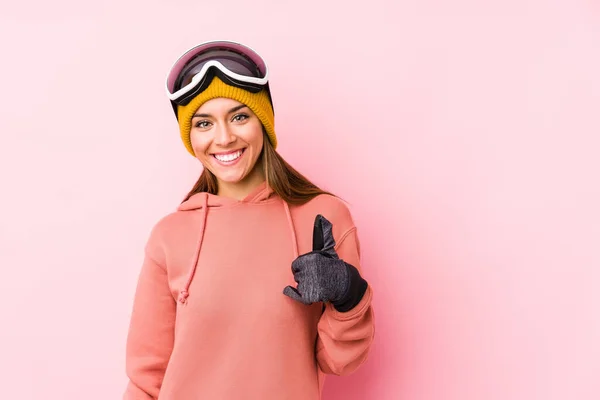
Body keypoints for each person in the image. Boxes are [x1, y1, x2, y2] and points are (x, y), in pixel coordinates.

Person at [123, 40, 375, 400]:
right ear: (190, 135)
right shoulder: (171, 235)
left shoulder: (323, 219)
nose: (223, 138)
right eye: (204, 123)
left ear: (263, 121)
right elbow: (147, 377)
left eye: (239, 116)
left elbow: (341, 362)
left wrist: (349, 294)